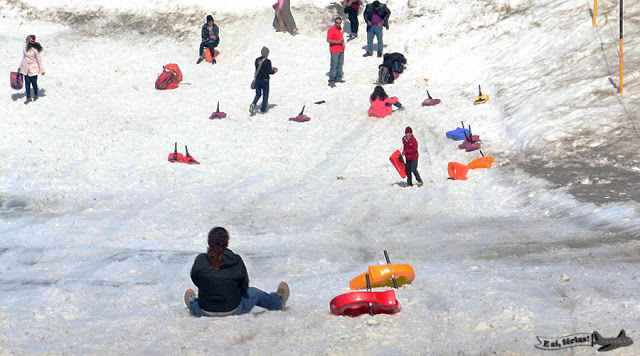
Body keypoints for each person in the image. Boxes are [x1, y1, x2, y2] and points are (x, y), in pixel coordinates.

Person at [185, 227, 290, 317]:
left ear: (209, 242)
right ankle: (278, 302)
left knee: (199, 298)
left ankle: (193, 303)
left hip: (204, 311)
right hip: (234, 310)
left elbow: (196, 280)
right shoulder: (236, 260)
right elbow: (244, 286)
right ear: (227, 242)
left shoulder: (200, 260)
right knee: (254, 292)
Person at [250, 47, 278, 115]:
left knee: (258, 93)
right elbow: (269, 71)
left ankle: (253, 103)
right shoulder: (267, 61)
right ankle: (263, 109)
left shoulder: (257, 60)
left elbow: (259, 69)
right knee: (265, 94)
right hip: (265, 80)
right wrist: (274, 71)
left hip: (258, 79)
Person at [18, 35, 44, 105]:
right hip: (26, 69)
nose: (26, 40)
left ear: (30, 41)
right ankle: (28, 97)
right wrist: (20, 67)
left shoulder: (35, 50)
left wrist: (42, 70)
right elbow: (24, 58)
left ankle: (36, 94)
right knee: (27, 84)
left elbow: (39, 60)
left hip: (34, 69)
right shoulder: (25, 48)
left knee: (34, 83)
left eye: (27, 39)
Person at [327, 17, 345, 88]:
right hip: (334, 50)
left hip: (341, 50)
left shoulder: (340, 29)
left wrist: (343, 45)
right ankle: (331, 80)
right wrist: (337, 42)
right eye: (337, 23)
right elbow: (328, 40)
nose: (338, 24)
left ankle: (338, 78)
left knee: (340, 64)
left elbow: (341, 38)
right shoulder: (331, 30)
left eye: (339, 23)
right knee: (334, 66)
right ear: (335, 22)